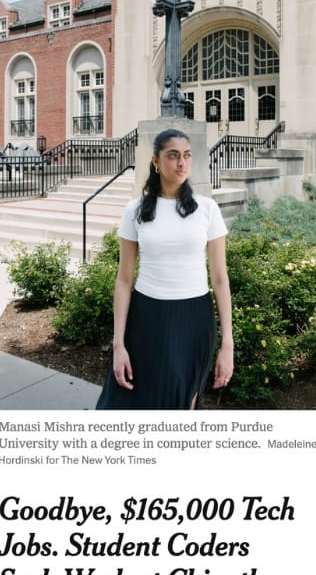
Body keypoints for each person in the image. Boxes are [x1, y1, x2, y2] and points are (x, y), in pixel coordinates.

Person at [94, 129, 234, 410]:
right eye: (173, 156)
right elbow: (123, 280)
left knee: (182, 402)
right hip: (146, 318)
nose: (182, 163)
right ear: (156, 162)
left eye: (187, 156)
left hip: (195, 320)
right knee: (130, 401)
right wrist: (118, 344)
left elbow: (220, 279)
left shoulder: (207, 209)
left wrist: (227, 345)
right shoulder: (134, 210)